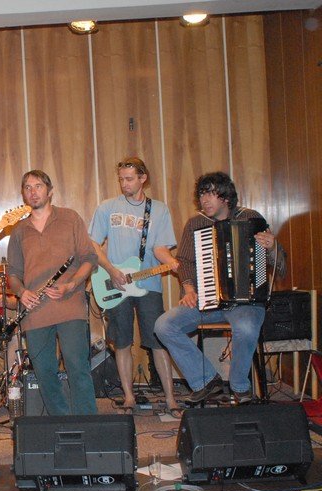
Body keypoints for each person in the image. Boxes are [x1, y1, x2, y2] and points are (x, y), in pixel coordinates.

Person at [154, 172, 286, 404]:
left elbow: (280, 267)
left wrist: (273, 247)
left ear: (225, 197)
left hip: (246, 303)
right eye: (201, 195)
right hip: (208, 301)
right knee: (164, 325)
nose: (204, 200)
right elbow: (184, 261)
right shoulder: (196, 224)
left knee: (246, 327)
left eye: (211, 194)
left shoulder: (252, 218)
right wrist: (189, 288)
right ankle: (206, 381)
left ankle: (239, 386)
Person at [88, 157, 181, 416]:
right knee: (122, 342)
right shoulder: (107, 207)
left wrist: (171, 262)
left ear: (143, 178)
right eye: (121, 179)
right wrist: (111, 269)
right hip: (116, 283)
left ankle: (171, 398)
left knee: (159, 340)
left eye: (129, 179)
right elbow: (93, 244)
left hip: (148, 283)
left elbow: (160, 248)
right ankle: (128, 397)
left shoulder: (159, 210)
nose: (124, 184)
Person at [7, 170, 98, 416]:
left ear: (50, 191)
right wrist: (21, 292)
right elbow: (13, 273)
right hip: (35, 310)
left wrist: (71, 284)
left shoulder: (70, 218)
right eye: (27, 187)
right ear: (23, 194)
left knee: (77, 366)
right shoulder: (19, 230)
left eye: (38, 186)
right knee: (44, 372)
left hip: (70, 304)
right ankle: (61, 423)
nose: (33, 191)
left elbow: (89, 258)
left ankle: (87, 423)